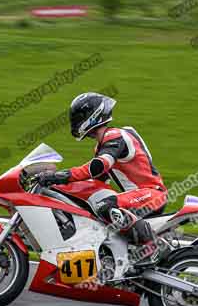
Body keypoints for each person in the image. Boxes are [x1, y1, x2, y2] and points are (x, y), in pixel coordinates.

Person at [35, 92, 167, 263]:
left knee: (106, 205)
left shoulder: (115, 136)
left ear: (92, 115)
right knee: (94, 206)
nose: (75, 122)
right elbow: (97, 182)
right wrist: (59, 188)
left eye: (78, 117)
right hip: (139, 196)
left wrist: (61, 176)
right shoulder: (102, 144)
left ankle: (154, 246)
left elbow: (98, 166)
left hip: (151, 193)